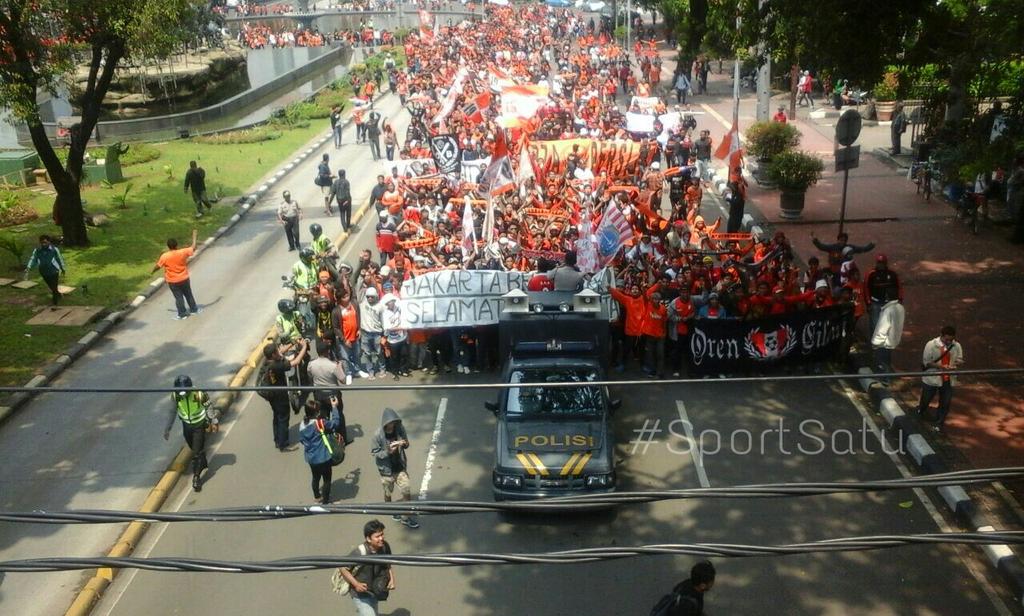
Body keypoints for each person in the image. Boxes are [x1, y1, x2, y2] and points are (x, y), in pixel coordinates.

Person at [162, 375, 217, 492]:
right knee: (194, 448)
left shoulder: (199, 394)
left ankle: (196, 478)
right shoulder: (175, 395)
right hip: (186, 425)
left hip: (199, 425)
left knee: (196, 453)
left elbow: (209, 407)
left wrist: (213, 421)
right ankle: (201, 460)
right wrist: (168, 428)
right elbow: (172, 411)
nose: (182, 394)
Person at [371, 408, 419, 528]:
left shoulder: (399, 429)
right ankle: (391, 510)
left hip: (400, 467)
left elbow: (407, 443)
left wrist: (404, 443)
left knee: (406, 490)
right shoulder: (377, 435)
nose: (392, 426)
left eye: (394, 423)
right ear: (385, 423)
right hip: (386, 471)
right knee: (388, 492)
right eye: (390, 423)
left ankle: (405, 517)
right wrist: (388, 451)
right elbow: (375, 453)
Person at [338, 519, 395, 616]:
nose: (381, 538)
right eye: (377, 536)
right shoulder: (359, 552)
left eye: (382, 534)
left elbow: (388, 564)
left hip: (374, 591)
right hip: (360, 595)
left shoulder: (385, 547)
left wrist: (392, 580)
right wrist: (356, 584)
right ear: (368, 539)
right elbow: (343, 568)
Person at [261, 340, 308, 451]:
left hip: (272, 395)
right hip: (280, 396)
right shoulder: (276, 365)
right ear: (273, 355)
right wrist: (304, 347)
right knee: (283, 418)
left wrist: (292, 343)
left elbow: (281, 352)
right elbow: (295, 362)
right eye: (277, 351)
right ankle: (284, 444)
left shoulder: (267, 361)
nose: (279, 352)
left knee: (277, 417)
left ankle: (277, 440)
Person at [918, 325, 964, 432]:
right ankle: (921, 411)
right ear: (941, 336)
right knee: (926, 399)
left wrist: (958, 363)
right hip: (932, 377)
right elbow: (927, 362)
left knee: (945, 402)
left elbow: (959, 358)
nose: (948, 342)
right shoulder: (931, 345)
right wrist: (940, 367)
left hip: (948, 378)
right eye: (946, 339)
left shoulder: (956, 346)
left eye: (951, 340)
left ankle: (939, 422)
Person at [298, 398, 342, 504]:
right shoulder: (320, 423)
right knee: (327, 479)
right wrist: (334, 407)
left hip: (311, 458)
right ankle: (326, 501)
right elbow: (335, 423)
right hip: (323, 457)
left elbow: (302, 440)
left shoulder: (302, 425)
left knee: (315, 477)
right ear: (316, 412)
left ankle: (317, 497)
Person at [309, 339, 352, 442]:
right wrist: (340, 367)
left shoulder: (311, 364)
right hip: (333, 395)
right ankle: (342, 439)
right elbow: (343, 381)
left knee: (323, 417)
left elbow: (310, 375)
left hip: (319, 394)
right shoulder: (333, 366)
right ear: (327, 352)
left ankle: (326, 439)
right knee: (338, 415)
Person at [152, 228, 200, 320]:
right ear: (176, 245)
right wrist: (194, 236)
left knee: (178, 297)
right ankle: (194, 310)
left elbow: (158, 266)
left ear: (168, 246)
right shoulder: (182, 252)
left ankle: (182, 314)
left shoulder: (165, 256)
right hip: (184, 278)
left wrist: (152, 272)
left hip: (173, 281)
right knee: (188, 294)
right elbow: (193, 247)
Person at [24, 234, 66, 306]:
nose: (43, 244)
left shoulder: (54, 249)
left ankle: (55, 302)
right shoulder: (37, 250)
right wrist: (28, 267)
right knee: (51, 286)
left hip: (54, 270)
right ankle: (58, 294)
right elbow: (33, 259)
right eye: (42, 243)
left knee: (54, 285)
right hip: (43, 272)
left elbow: (59, 259)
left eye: (45, 242)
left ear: (49, 242)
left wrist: (62, 268)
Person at [863, 254, 902, 330]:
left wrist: (900, 300)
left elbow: (899, 287)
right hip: (875, 303)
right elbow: (866, 289)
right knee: (875, 325)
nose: (880, 265)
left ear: (885, 263)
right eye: (879, 263)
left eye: (882, 263)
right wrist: (868, 303)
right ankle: (873, 341)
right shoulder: (871, 274)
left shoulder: (892, 274)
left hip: (889, 303)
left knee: (889, 325)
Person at [870, 297, 905, 381]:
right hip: (893, 340)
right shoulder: (900, 308)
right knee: (887, 360)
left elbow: (882, 329)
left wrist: (875, 343)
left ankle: (884, 379)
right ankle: (887, 377)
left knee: (882, 361)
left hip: (883, 342)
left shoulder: (887, 311)